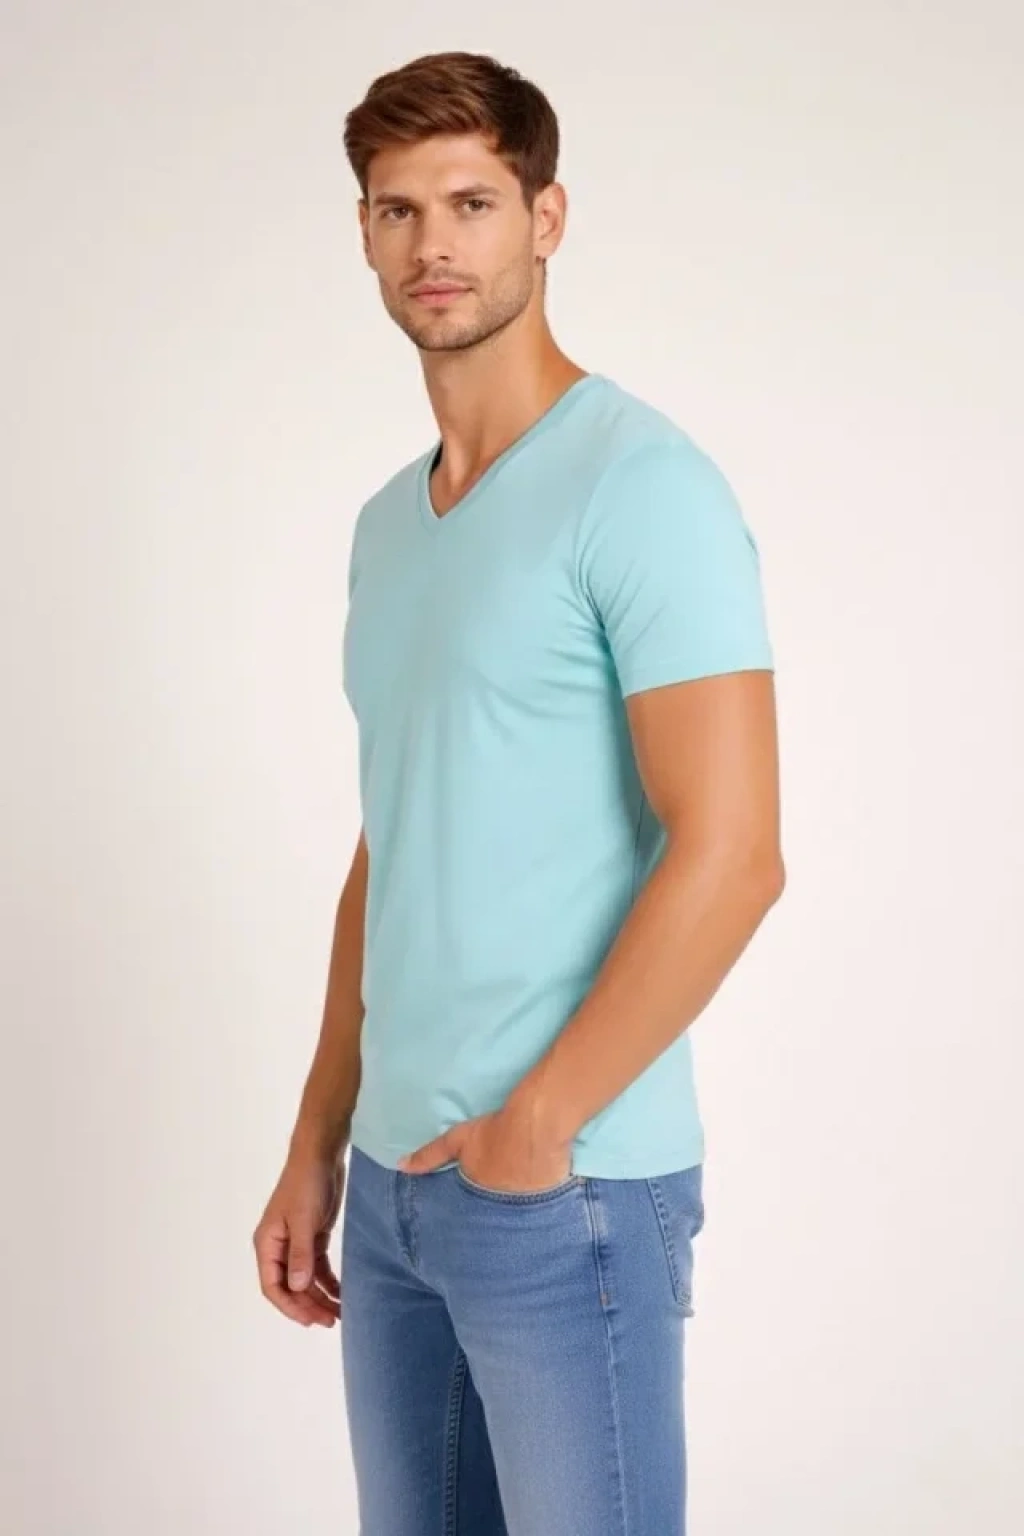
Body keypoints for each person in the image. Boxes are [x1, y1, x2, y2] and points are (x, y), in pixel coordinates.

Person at [253, 49, 785, 1535]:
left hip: (569, 1189)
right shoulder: (388, 526)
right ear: (365, 234)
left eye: (473, 203)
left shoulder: (642, 486)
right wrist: (318, 1142)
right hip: (394, 1194)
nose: (434, 244)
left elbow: (735, 851)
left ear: (547, 219)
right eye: (399, 209)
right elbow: (395, 844)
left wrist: (536, 1128)